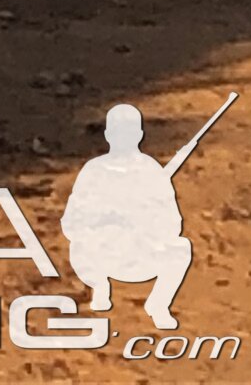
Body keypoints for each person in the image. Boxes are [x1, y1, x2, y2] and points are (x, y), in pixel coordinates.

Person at [63, 103, 195, 330]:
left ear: (139, 135)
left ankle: (158, 304)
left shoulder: (152, 172)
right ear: (108, 135)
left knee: (181, 248)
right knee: (79, 246)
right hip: (100, 258)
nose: (123, 138)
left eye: (129, 132)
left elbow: (173, 223)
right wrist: (103, 225)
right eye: (118, 132)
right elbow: (71, 221)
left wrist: (145, 224)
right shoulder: (93, 171)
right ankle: (99, 287)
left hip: (140, 256)